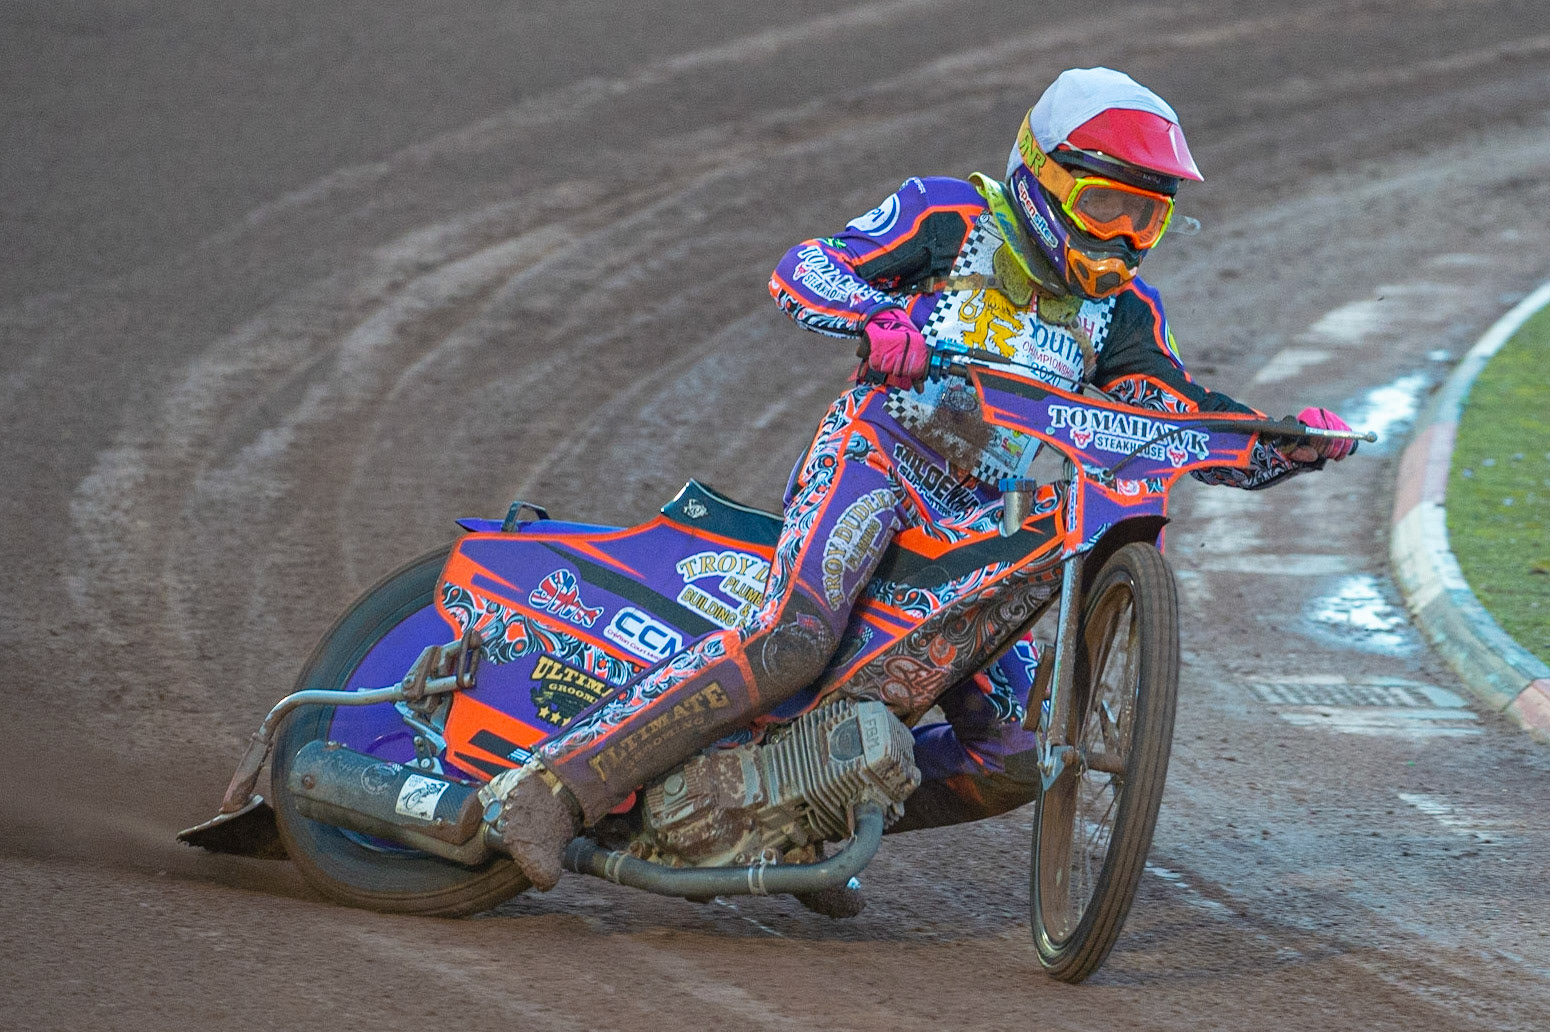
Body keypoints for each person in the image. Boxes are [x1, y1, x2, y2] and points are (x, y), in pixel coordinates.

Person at [496, 67, 1355, 893]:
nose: (1125, 238)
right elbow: (807, 267)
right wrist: (877, 320)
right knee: (794, 639)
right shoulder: (948, 216)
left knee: (1018, 754)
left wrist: (1280, 444)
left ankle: (799, 820)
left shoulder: (1124, 315)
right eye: (1106, 206)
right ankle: (557, 790)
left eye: (1148, 219)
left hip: (979, 523)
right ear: (1042, 179)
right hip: (877, 462)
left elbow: (1172, 412)